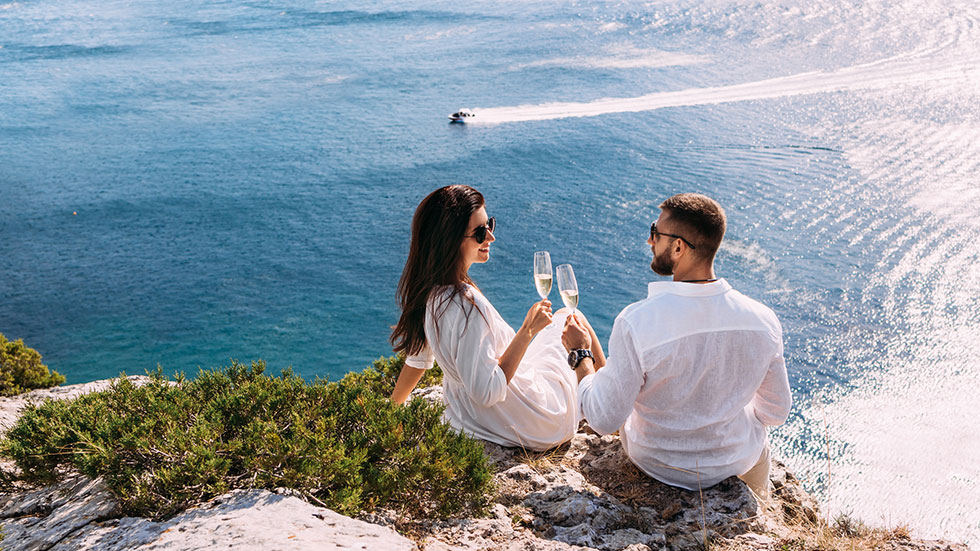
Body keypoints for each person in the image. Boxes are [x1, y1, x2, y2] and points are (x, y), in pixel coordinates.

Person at [561, 193, 791, 500]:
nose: (649, 241)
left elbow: (603, 419)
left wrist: (582, 355)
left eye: (655, 232)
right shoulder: (763, 320)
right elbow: (776, 413)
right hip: (737, 463)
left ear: (678, 247)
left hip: (658, 465)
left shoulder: (637, 321)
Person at [390, 185, 606, 451]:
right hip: (532, 420)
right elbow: (487, 392)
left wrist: (392, 410)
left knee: (564, 321)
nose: (490, 237)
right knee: (571, 316)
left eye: (490, 224)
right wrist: (527, 332)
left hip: (474, 419)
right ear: (451, 240)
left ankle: (605, 402)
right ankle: (606, 408)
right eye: (480, 232)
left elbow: (418, 359)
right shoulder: (467, 305)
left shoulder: (430, 291)